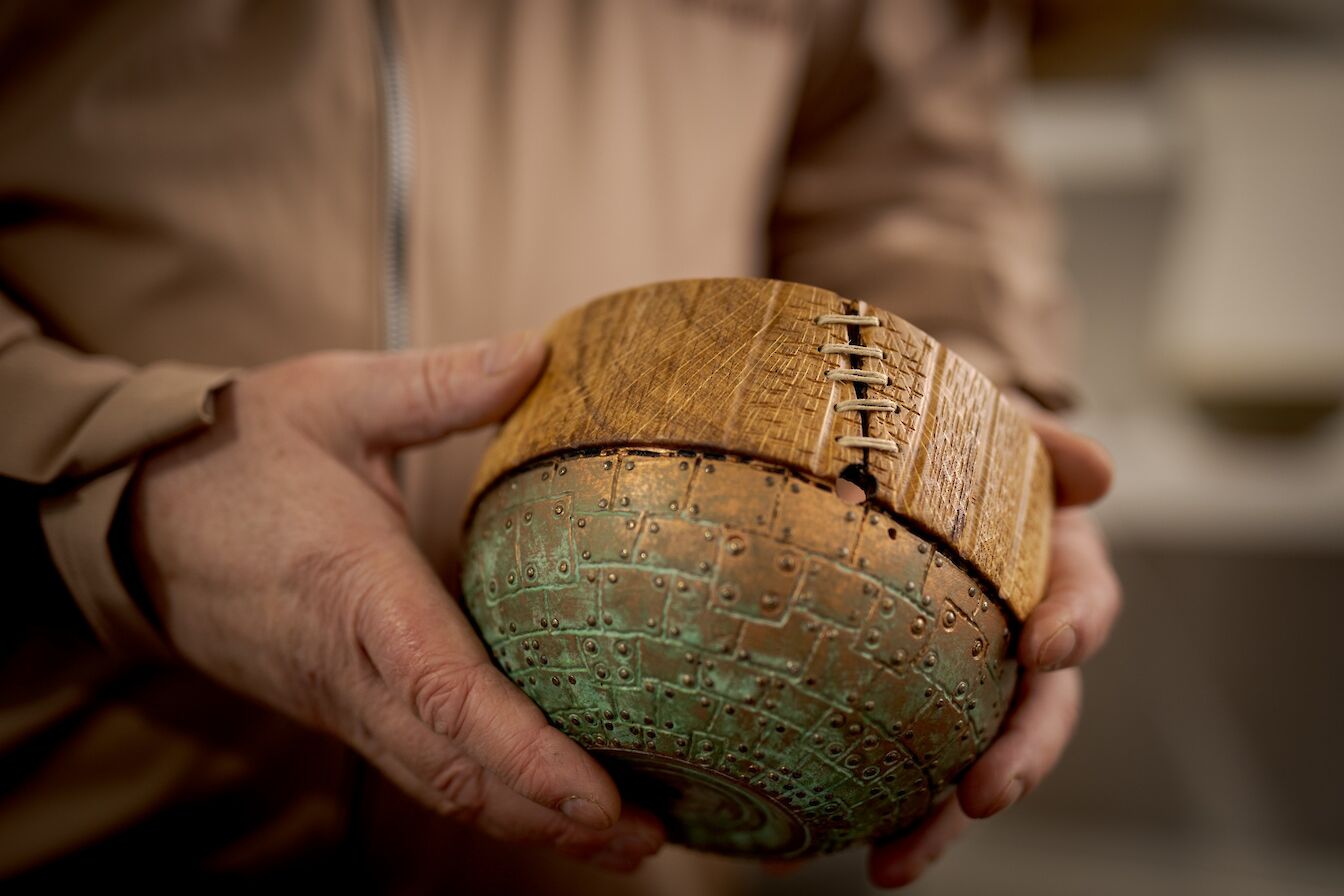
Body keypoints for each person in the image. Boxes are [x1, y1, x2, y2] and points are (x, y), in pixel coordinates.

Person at [0, 0, 1120, 889]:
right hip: (80, 789)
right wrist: (120, 473)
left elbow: (910, 169)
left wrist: (979, 439)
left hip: (622, 846)